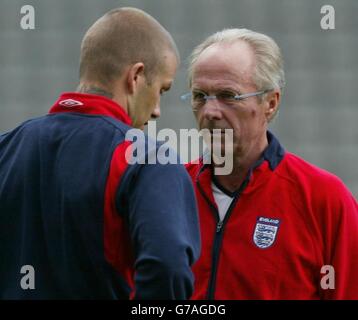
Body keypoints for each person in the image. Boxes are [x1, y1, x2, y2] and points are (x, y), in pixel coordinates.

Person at [0, 7, 200, 299]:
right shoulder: (148, 159)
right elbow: (167, 266)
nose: (157, 110)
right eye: (162, 90)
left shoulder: (7, 147)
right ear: (136, 76)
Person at [183, 28, 358, 299]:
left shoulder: (324, 200)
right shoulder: (171, 190)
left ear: (271, 103)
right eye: (199, 96)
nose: (210, 112)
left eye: (228, 96)